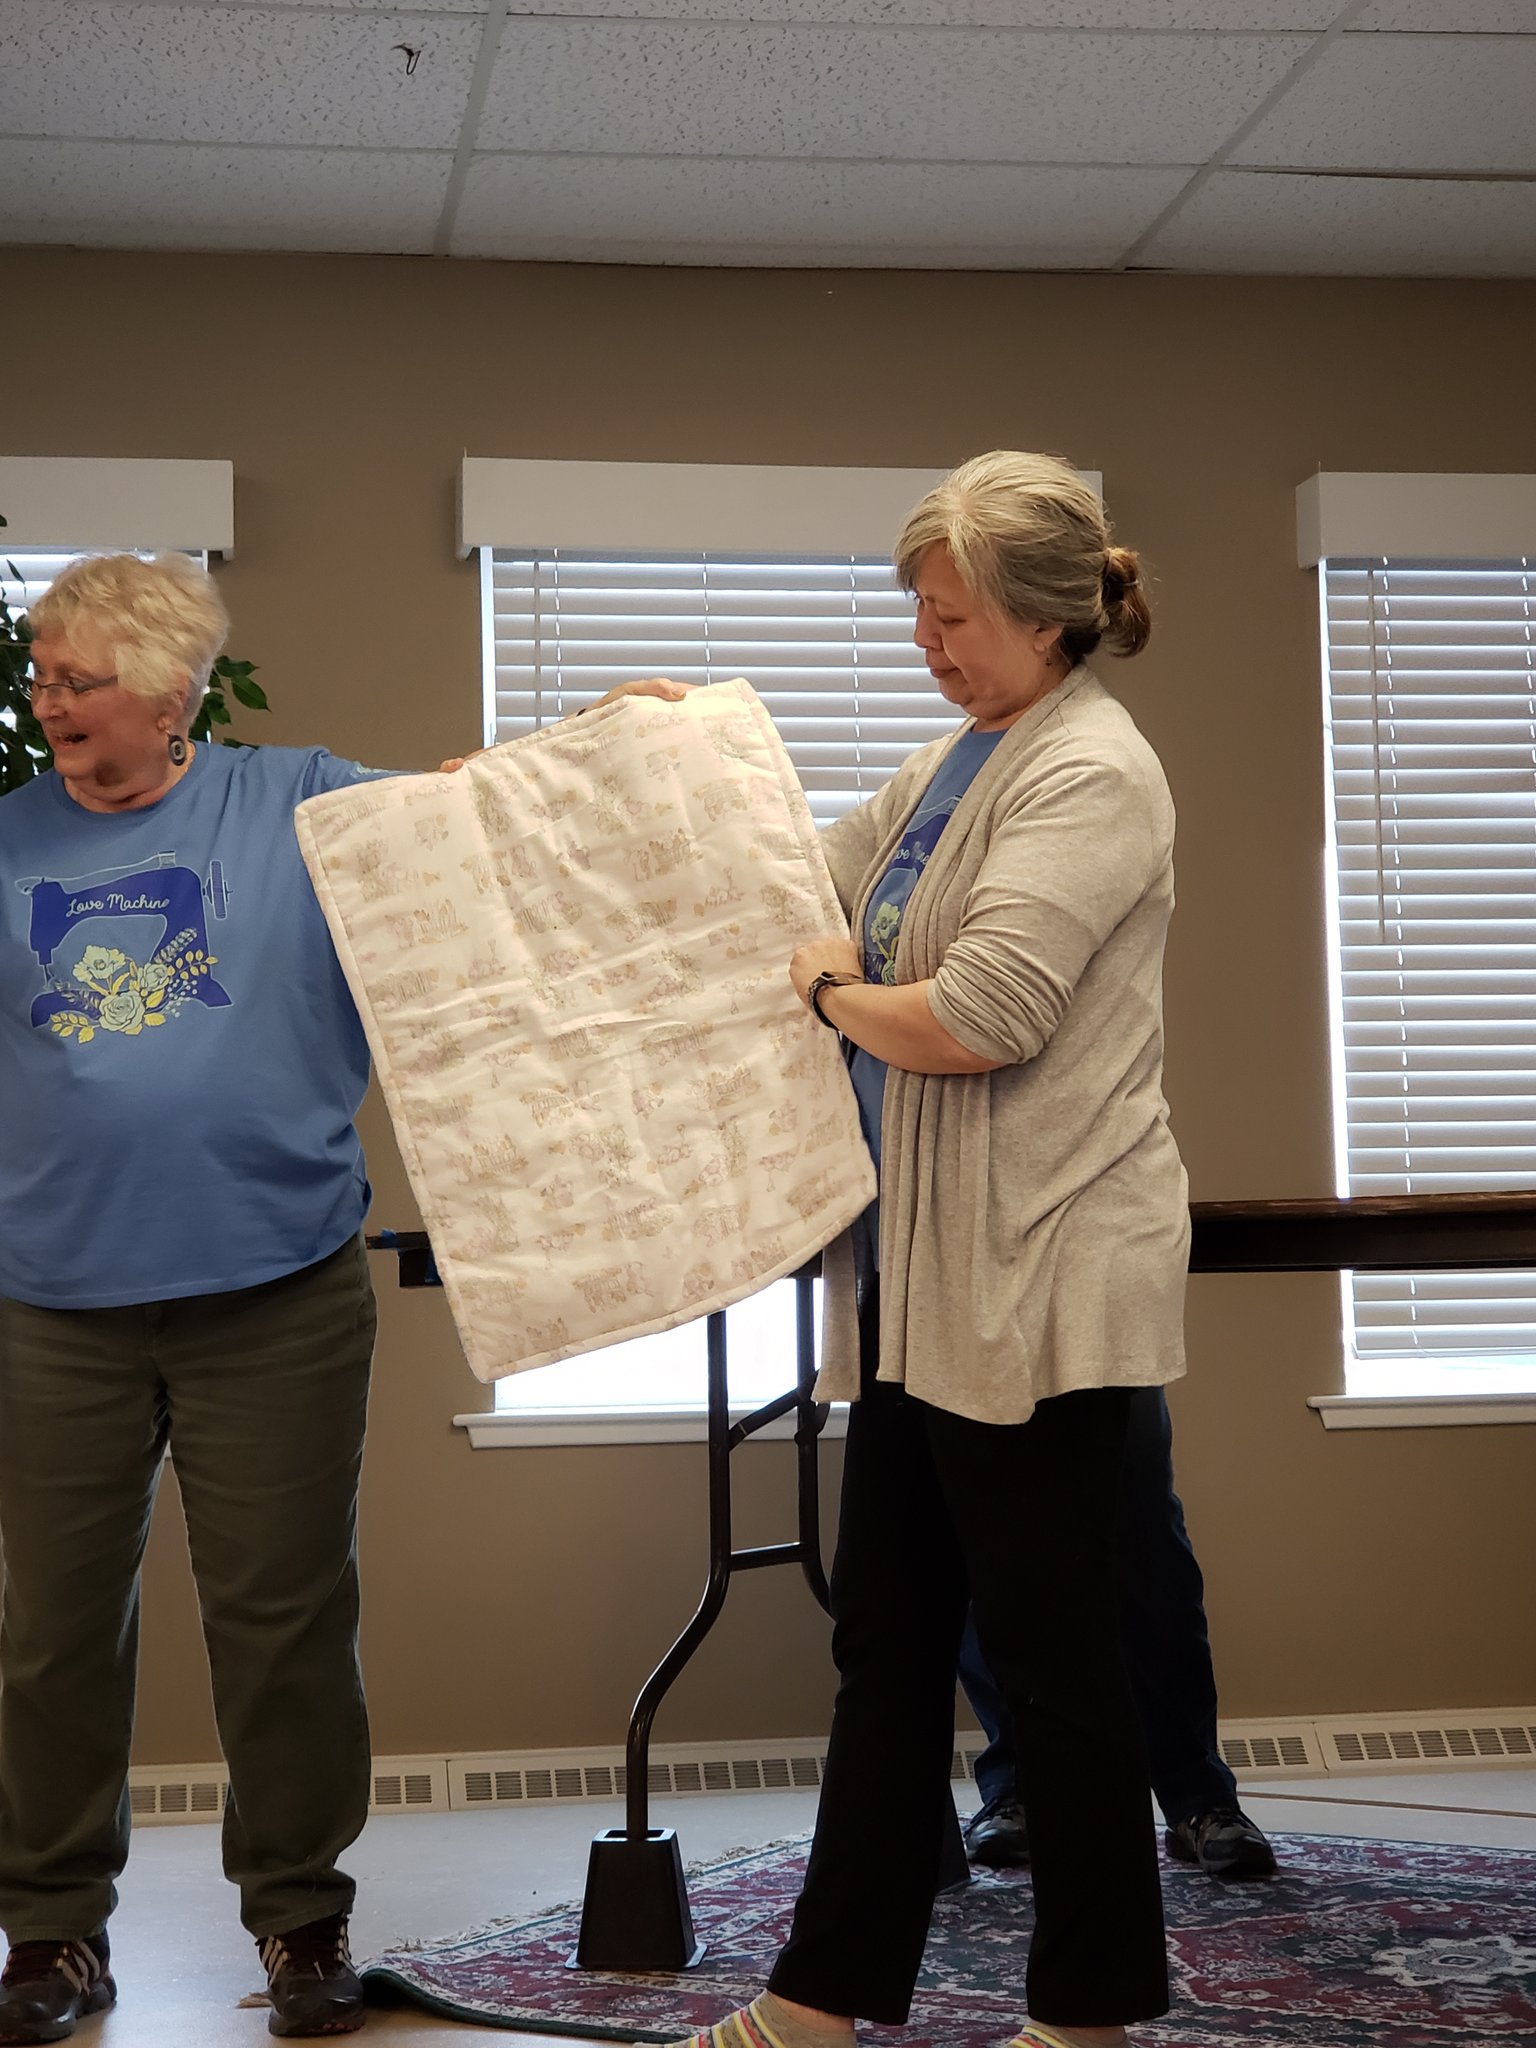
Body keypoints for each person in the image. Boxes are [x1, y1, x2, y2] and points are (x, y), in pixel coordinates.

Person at [0, 553, 665, 2045]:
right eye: (41, 677)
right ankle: (50, 1931)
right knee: (52, 1630)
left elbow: (475, 813)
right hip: (53, 1305)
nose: (47, 703)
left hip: (277, 1291)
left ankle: (302, 1919)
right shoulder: (7, 839)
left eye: (76, 680)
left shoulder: (298, 803)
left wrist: (614, 740)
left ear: (168, 692)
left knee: (286, 1620)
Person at [665, 452, 1188, 2048]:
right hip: (930, 1280)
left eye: (951, 615)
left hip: (1041, 1279)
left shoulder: (1092, 773)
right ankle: (821, 1998)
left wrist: (833, 993)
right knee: (887, 1640)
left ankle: (1088, 2014)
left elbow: (981, 1016)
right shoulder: (964, 757)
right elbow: (801, 874)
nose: (926, 639)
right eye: (919, 611)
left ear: (1043, 619)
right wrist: (680, 758)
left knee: (1051, 1660)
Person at [958, 1387, 1277, 1881]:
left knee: (1146, 1539)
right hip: (967, 1349)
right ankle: (1015, 1790)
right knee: (991, 1537)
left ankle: (1199, 1798)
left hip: (1115, 1346)